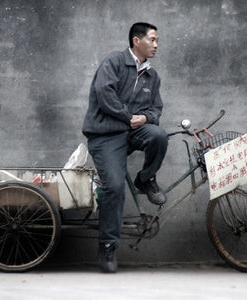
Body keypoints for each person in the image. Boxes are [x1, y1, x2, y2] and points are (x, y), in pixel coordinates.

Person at [82, 22, 168, 273]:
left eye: (157, 40)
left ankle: (145, 179)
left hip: (132, 132)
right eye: (152, 39)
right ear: (136, 41)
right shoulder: (115, 62)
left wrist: (146, 119)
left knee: (159, 136)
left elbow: (156, 110)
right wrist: (127, 116)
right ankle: (108, 246)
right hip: (106, 135)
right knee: (115, 187)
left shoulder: (152, 76)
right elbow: (103, 92)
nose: (156, 45)